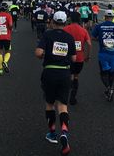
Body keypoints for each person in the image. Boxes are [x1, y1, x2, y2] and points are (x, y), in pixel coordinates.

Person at [35, 11, 76, 155]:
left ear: (52, 21)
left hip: (50, 72)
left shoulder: (47, 35)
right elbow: (74, 58)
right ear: (65, 22)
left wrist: (47, 55)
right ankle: (64, 133)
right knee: (63, 106)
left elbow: (38, 53)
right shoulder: (70, 37)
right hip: (65, 73)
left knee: (49, 103)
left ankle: (52, 133)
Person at [91, 9, 114, 102]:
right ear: (113, 17)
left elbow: (93, 37)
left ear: (105, 17)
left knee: (103, 73)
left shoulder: (99, 26)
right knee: (111, 72)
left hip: (103, 53)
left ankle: (108, 88)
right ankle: (110, 87)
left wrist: (100, 40)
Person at [63, 11, 92, 105]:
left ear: (70, 19)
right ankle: (73, 96)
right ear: (79, 19)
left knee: (69, 75)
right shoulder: (83, 30)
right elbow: (89, 44)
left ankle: (65, 95)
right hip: (79, 57)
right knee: (76, 76)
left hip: (67, 57)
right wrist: (87, 56)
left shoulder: (65, 29)